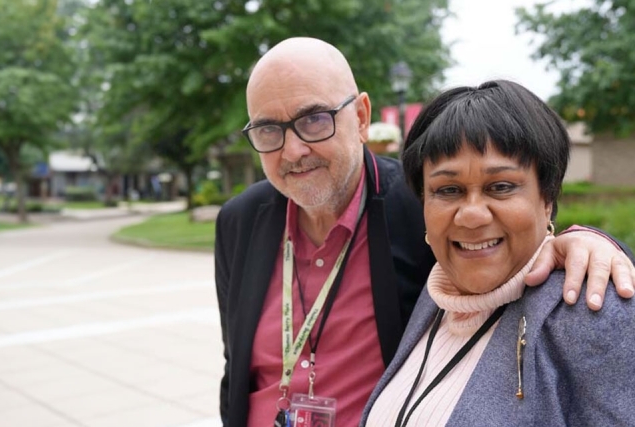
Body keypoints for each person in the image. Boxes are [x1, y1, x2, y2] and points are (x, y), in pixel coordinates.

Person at [215, 37, 635, 427]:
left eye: (314, 120)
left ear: (361, 117)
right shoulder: (238, 221)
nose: (293, 150)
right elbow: (238, 366)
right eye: (269, 130)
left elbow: (515, 230)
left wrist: (586, 238)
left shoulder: (418, 205)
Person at [361, 80, 635, 427]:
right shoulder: (435, 301)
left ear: (547, 198)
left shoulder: (592, 313)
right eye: (448, 189)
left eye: (501, 186)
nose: (472, 214)